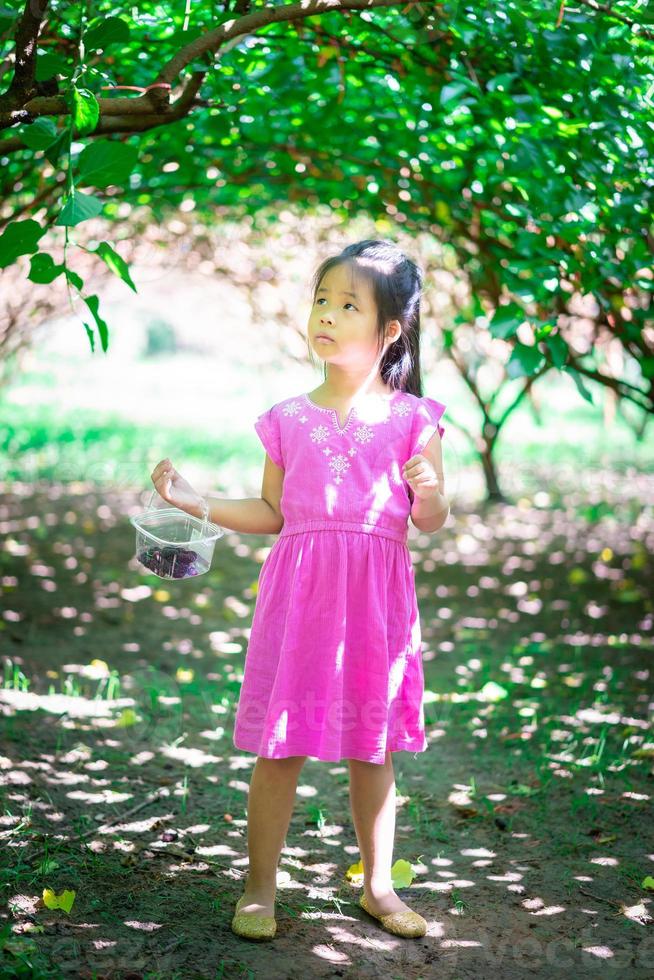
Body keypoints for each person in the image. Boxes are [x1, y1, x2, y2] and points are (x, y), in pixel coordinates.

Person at [150, 239, 449, 942]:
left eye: (349, 305)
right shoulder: (288, 417)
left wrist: (431, 494)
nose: (327, 315)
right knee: (279, 746)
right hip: (301, 600)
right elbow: (273, 514)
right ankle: (259, 888)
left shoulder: (415, 419)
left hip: (374, 607)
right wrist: (196, 502)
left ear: (390, 330)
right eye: (321, 300)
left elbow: (431, 521)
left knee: (371, 749)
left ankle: (378, 886)